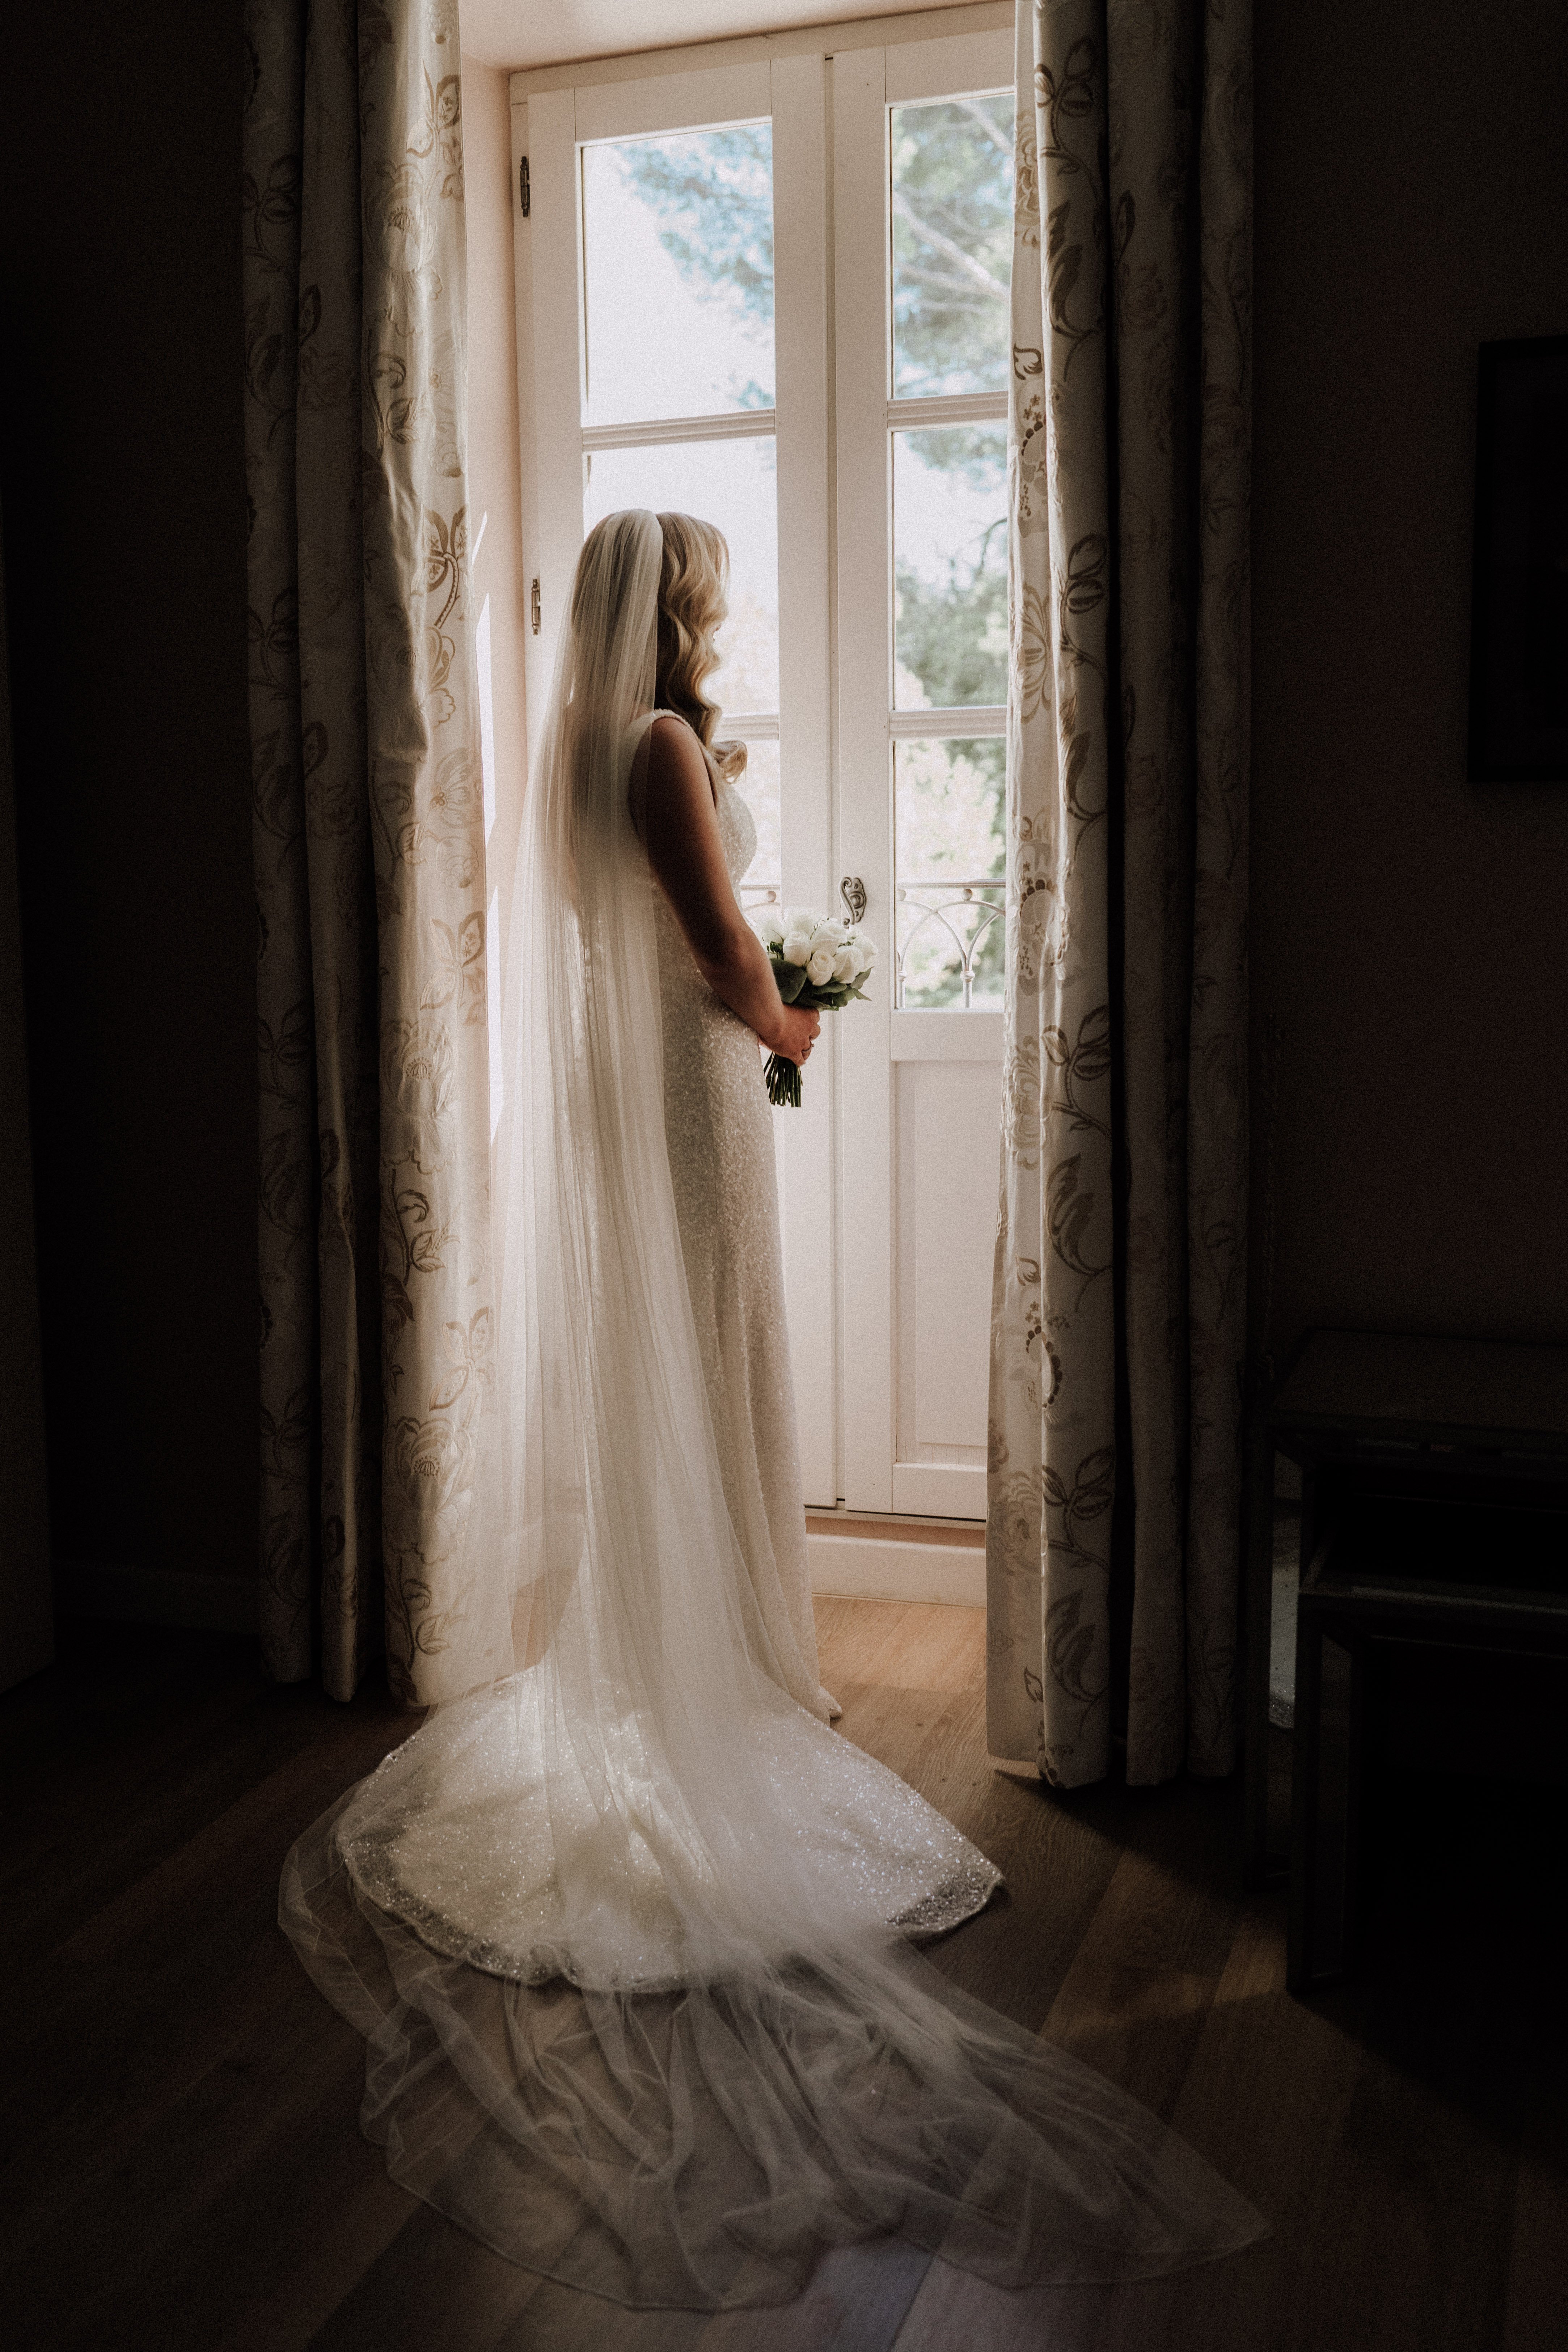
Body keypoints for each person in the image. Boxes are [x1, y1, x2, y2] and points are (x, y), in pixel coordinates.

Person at [280, 509, 1263, 2311]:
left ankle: (711, 1642)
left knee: (704, 1367)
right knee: (718, 1356)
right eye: (710, 585)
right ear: (673, 602)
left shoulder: (604, 745)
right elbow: (720, 948)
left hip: (650, 1085)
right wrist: (792, 1022)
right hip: (688, 1089)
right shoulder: (653, 743)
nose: (719, 605)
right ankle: (710, 1668)